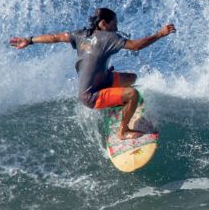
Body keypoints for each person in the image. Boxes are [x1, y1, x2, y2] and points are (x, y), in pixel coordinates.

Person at [9, 8, 176, 139]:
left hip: (102, 80)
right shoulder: (108, 37)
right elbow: (135, 46)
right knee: (132, 94)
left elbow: (54, 37)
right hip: (91, 95)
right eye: (114, 23)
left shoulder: (80, 34)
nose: (116, 27)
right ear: (103, 23)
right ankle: (123, 131)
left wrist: (29, 40)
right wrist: (160, 34)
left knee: (131, 78)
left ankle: (118, 103)